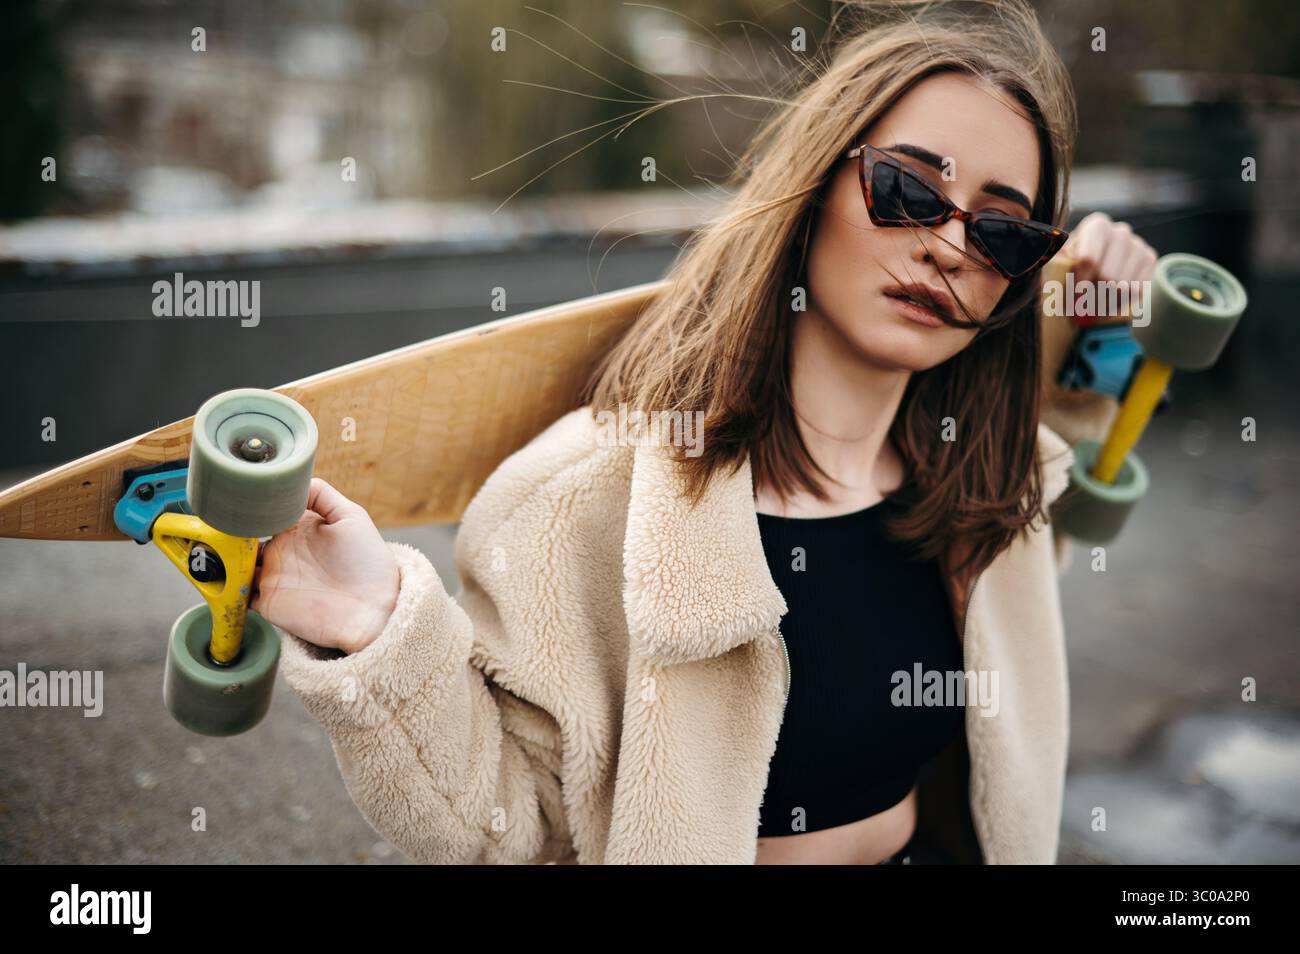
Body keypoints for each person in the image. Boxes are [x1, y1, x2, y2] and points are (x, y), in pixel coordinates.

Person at [252, 0, 1156, 864]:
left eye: (1002, 231)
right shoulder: (585, 499)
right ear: (815, 184)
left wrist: (1097, 337)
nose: (953, 246)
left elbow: (1046, 544)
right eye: (909, 189)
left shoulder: (987, 490)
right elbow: (508, 826)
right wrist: (377, 629)